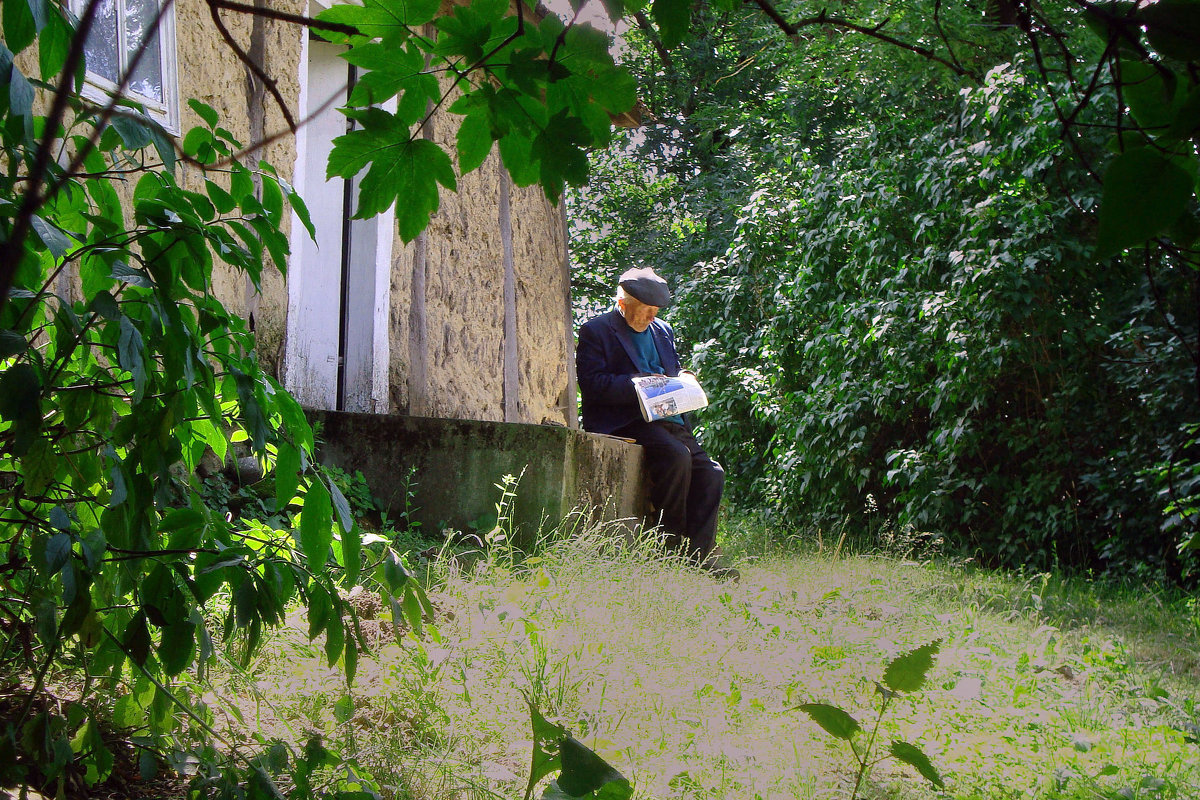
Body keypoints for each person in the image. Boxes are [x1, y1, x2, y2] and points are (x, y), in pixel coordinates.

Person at [576, 267, 736, 579]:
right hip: (626, 419)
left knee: (712, 473)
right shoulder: (596, 331)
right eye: (645, 310)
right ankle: (669, 547)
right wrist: (639, 383)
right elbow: (593, 384)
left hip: (669, 417)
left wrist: (684, 380)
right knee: (677, 457)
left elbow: (670, 373)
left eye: (655, 311)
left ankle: (700, 557)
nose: (651, 317)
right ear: (623, 305)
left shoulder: (663, 330)